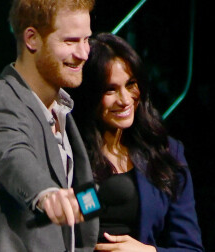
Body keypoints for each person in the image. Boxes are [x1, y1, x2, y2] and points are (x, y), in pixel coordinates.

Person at [0, 0, 99, 252]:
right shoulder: (0, 101)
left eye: (87, 39)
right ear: (32, 39)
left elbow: (76, 192)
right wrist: (45, 194)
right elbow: (12, 154)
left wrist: (92, 201)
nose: (84, 53)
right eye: (71, 41)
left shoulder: (60, 109)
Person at [70, 33, 205, 251]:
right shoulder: (67, 151)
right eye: (110, 89)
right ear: (90, 94)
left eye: (131, 84)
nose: (125, 100)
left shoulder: (167, 152)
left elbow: (190, 248)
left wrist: (148, 251)